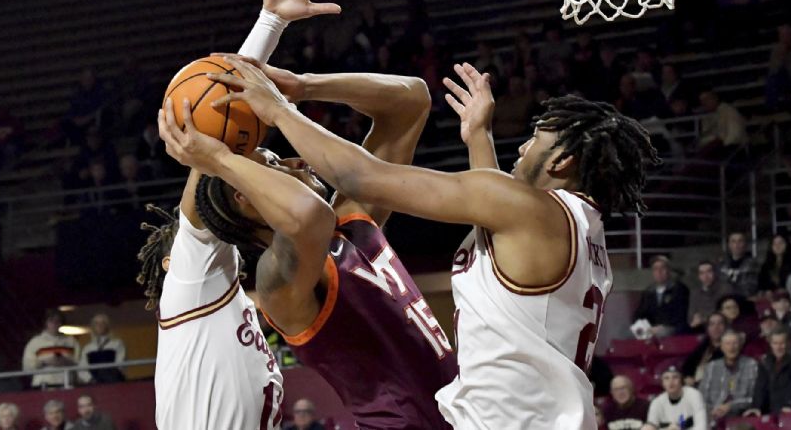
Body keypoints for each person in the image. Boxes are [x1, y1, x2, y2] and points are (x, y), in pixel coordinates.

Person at [207, 55, 660, 428]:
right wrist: (477, 136)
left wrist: (281, 108)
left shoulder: (530, 211)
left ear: (562, 160)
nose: (522, 148)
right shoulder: (574, 225)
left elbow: (361, 176)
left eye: (534, 139)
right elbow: (494, 220)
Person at [154, 0, 456, 430]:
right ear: (242, 195)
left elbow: (412, 102)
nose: (296, 162)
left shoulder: (350, 228)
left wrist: (300, 81)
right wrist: (231, 149)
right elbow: (301, 211)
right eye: (273, 162)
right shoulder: (274, 283)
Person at [140, 0, 342, 430]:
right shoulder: (188, 283)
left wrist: (271, 23)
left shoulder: (228, 296)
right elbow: (216, 134)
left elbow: (224, 126)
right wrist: (267, 27)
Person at [745, 328, 791, 416]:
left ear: (789, 343)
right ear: (770, 344)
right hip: (771, 409)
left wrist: (789, 403)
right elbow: (760, 386)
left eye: (782, 343)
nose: (778, 347)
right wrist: (756, 407)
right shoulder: (765, 360)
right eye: (775, 343)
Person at [699, 330, 760, 422]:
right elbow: (702, 397)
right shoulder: (711, 367)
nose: (731, 348)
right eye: (727, 344)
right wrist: (714, 410)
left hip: (741, 417)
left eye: (735, 343)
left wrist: (732, 406)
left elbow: (755, 397)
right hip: (713, 416)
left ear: (740, 345)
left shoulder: (751, 365)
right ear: (722, 347)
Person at [22, 309, 80, 389]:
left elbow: (79, 363)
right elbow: (27, 367)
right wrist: (44, 362)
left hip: (66, 383)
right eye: (51, 321)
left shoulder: (71, 341)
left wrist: (66, 361)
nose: (54, 324)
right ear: (45, 322)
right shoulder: (35, 342)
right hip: (43, 384)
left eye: (58, 321)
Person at [633, 256, 689, 336]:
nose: (659, 272)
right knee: (628, 332)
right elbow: (640, 313)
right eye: (655, 269)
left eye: (662, 268)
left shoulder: (679, 289)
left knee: (661, 333)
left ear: (668, 271)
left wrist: (661, 327)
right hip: (651, 328)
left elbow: (680, 314)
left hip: (671, 327)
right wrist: (641, 325)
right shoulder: (649, 292)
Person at [644, 366, 708, 430]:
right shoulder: (657, 402)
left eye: (675, 377)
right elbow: (650, 427)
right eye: (666, 378)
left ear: (681, 380)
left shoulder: (694, 395)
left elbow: (702, 426)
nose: (671, 382)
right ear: (662, 383)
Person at [78, 314, 126, 384]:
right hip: (94, 384)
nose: (100, 326)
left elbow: (120, 364)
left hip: (114, 382)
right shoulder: (88, 348)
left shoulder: (117, 344)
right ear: (93, 326)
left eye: (103, 323)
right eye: (96, 323)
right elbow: (82, 368)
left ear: (107, 326)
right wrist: (91, 380)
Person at [697, 91, 748, 158]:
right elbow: (705, 135)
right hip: (715, 147)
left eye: (707, 99)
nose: (704, 103)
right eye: (702, 101)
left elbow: (735, 135)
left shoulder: (728, 111)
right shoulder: (706, 116)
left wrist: (721, 144)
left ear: (715, 98)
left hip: (732, 147)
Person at [682, 312, 727, 386]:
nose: (716, 327)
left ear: (725, 327)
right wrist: (687, 377)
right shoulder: (704, 346)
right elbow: (687, 366)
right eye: (712, 324)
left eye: (720, 324)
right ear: (708, 328)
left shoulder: (729, 348)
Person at [689, 261, 732, 330]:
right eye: (702, 273)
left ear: (715, 273)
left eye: (709, 272)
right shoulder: (695, 293)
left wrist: (703, 318)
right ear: (699, 276)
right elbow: (691, 316)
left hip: (721, 327)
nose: (706, 276)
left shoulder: (725, 289)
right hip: (701, 327)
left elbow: (726, 313)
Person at [718, 232, 759, 297]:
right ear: (729, 245)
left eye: (740, 241)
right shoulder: (722, 265)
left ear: (745, 244)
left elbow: (749, 290)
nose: (737, 245)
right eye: (733, 241)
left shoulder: (753, 265)